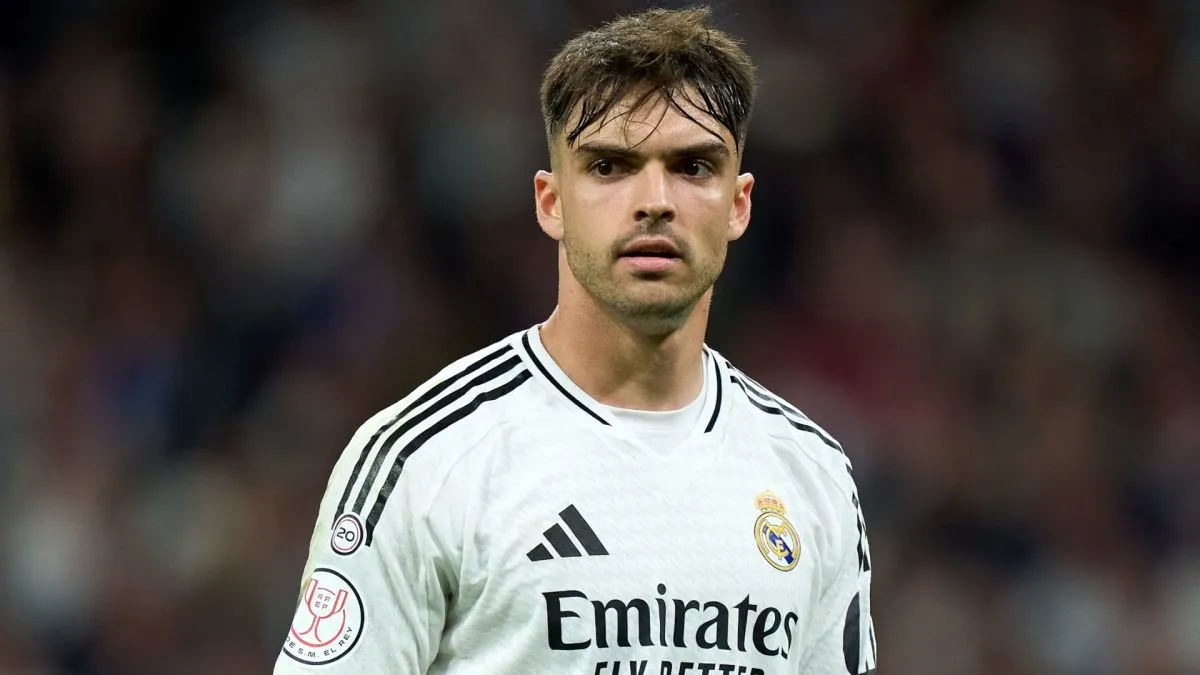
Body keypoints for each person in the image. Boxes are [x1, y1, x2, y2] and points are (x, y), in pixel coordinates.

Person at [273, 7, 876, 674]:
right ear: (551, 201)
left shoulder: (810, 473)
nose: (655, 201)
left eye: (693, 166)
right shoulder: (426, 461)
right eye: (611, 165)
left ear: (739, 203)